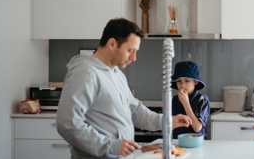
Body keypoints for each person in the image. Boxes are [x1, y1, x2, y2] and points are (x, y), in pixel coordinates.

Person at [56, 18, 192, 159]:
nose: (134, 58)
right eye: (130, 50)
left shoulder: (117, 74)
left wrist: (168, 121)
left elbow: (135, 110)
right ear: (112, 44)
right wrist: (111, 146)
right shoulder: (85, 72)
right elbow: (68, 123)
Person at [170, 61, 211, 139]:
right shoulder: (173, 100)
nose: (182, 85)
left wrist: (185, 103)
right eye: (179, 81)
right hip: (177, 143)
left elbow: (197, 127)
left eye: (187, 81)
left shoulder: (202, 99)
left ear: (195, 81)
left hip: (196, 144)